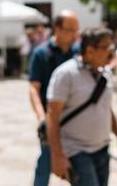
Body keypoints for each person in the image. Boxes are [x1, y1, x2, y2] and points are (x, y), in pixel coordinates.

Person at [47, 27, 117, 186]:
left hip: (103, 150)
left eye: (112, 47)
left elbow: (106, 109)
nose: (111, 53)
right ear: (90, 50)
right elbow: (52, 116)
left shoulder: (105, 73)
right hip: (76, 151)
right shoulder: (65, 74)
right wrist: (57, 156)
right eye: (106, 48)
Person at [29, 10, 80, 186]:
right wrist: (41, 117)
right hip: (53, 120)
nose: (75, 34)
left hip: (76, 119)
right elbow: (33, 88)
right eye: (70, 30)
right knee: (46, 163)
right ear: (57, 29)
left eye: (76, 30)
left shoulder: (79, 52)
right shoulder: (40, 53)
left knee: (79, 166)